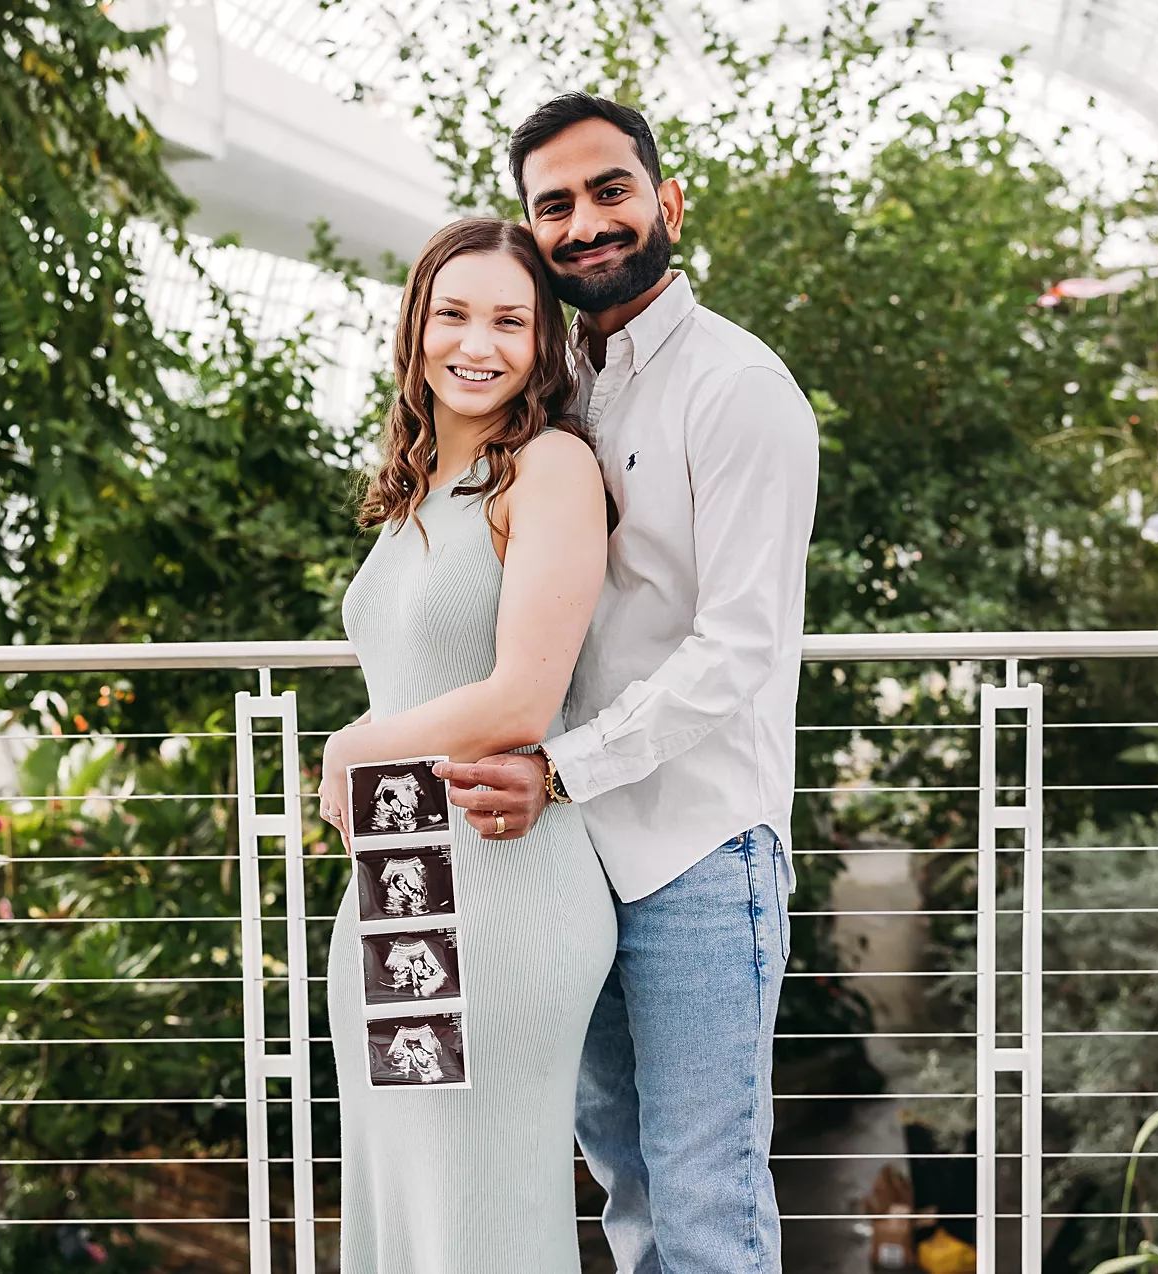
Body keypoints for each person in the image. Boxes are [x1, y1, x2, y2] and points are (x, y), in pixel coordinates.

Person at [435, 94, 821, 1273]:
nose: (585, 222)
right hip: (570, 853)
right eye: (553, 204)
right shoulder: (558, 389)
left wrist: (557, 766)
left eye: (609, 189)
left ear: (666, 200)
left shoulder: (737, 387)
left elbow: (739, 646)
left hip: (700, 845)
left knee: (706, 1202)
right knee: (628, 1191)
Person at [317, 216, 615, 1272]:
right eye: (452, 314)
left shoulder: (549, 467)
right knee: (412, 1210)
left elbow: (522, 698)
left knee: (480, 1214)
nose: (476, 343)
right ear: (415, 328)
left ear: (543, 343)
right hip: (404, 882)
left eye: (509, 320)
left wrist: (355, 743)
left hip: (502, 888)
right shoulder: (414, 493)